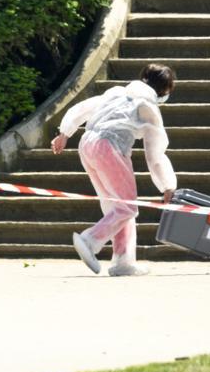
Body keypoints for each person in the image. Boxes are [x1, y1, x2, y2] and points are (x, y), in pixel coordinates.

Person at [50, 63, 177, 277]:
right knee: (127, 207)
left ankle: (123, 261)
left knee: (116, 207)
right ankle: (90, 240)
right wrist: (168, 185)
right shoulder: (149, 109)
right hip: (110, 147)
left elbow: (83, 108)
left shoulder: (117, 91)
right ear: (163, 92)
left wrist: (65, 133)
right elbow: (155, 156)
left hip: (87, 144)